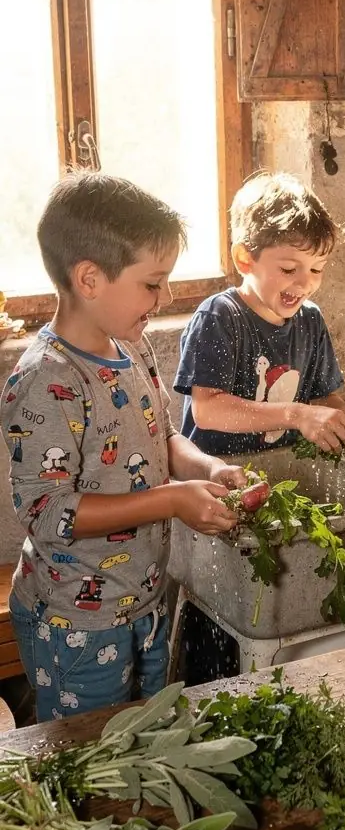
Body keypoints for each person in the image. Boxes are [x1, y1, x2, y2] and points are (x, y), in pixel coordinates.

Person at [0, 173, 245, 722]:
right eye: (153, 283)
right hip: (74, 622)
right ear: (89, 278)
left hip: (145, 599)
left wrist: (210, 467)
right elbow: (49, 512)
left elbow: (165, 437)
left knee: (144, 743)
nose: (167, 297)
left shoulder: (131, 349)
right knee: (86, 757)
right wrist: (174, 500)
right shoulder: (46, 379)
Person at [175, 172, 345, 458]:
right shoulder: (219, 317)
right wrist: (297, 415)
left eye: (317, 269)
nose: (305, 283)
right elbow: (208, 409)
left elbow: (322, 399)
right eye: (289, 269)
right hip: (219, 478)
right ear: (244, 259)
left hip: (285, 476)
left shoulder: (310, 320)